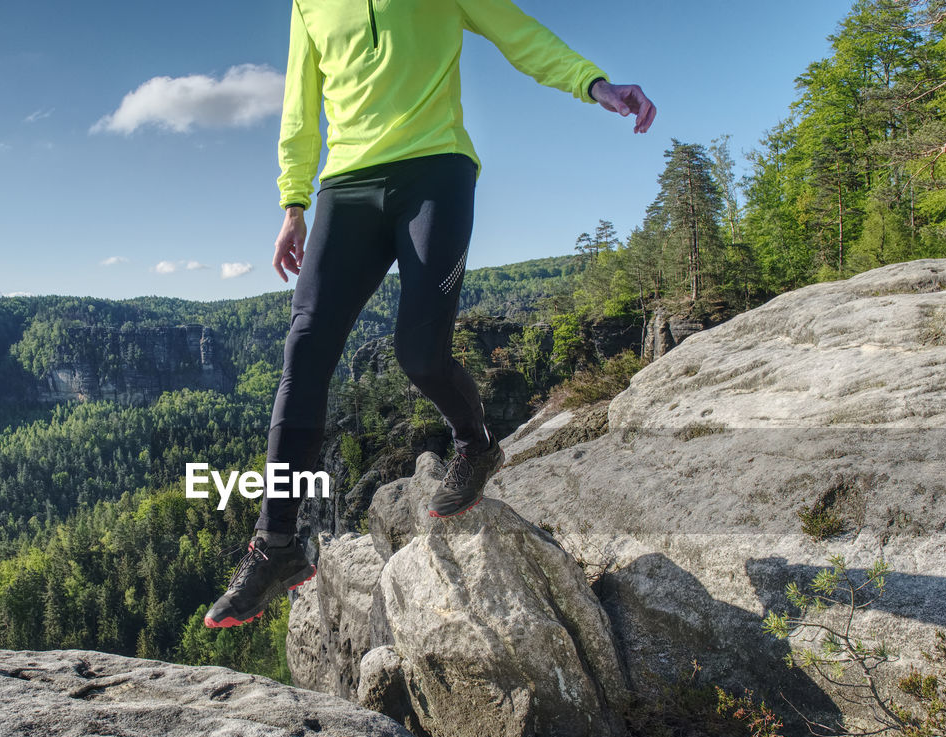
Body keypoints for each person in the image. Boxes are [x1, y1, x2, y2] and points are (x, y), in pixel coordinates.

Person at [204, 0, 655, 629]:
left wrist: (593, 82)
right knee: (303, 354)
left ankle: (476, 443)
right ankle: (278, 545)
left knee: (418, 352)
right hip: (347, 186)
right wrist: (293, 203)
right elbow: (299, 105)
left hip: (434, 173)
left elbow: (518, 33)